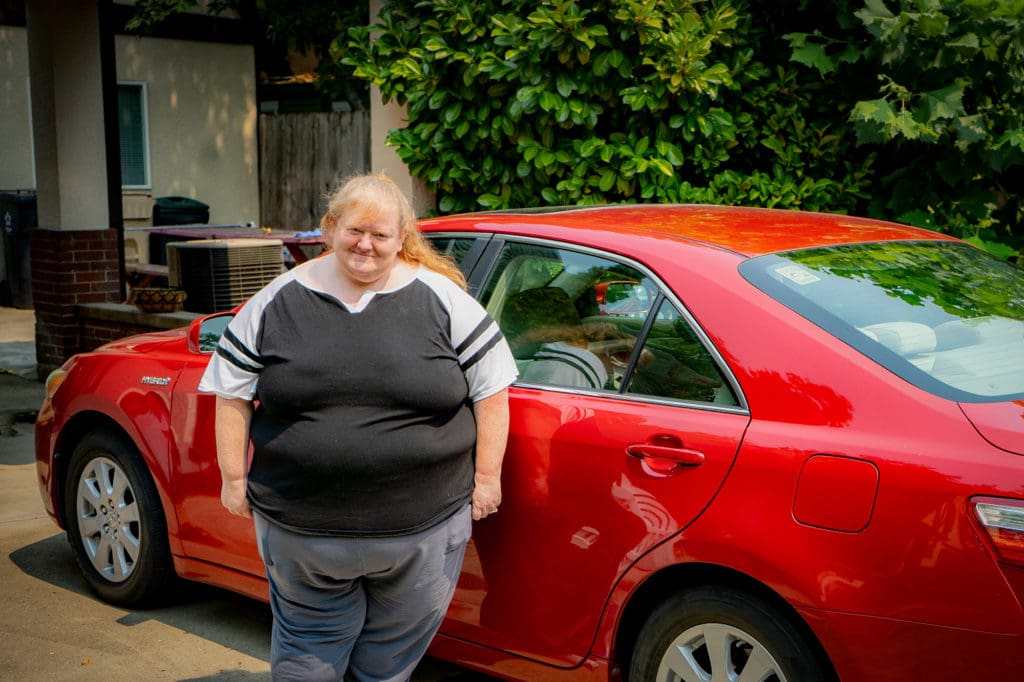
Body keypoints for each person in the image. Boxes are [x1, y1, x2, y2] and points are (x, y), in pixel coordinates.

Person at [198, 172, 518, 681]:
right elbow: (231, 393)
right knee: (306, 660)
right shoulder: (276, 299)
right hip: (301, 531)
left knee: (388, 663)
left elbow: (492, 391)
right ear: (331, 227)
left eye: (381, 235)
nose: (366, 244)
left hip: (424, 529)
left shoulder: (445, 300)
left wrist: (487, 478)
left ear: (402, 238)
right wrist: (233, 479)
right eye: (354, 231)